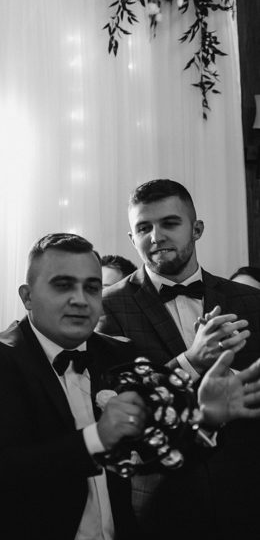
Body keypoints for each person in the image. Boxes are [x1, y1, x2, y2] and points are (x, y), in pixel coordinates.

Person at [0, 233, 260, 540]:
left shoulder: (117, 353)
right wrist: (100, 436)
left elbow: (158, 457)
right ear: (27, 297)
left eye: (92, 288)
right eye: (63, 285)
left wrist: (207, 419)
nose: (80, 299)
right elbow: (7, 471)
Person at [98, 179, 260, 539]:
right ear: (132, 238)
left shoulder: (250, 301)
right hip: (161, 501)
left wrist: (237, 377)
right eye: (144, 228)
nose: (156, 237)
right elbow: (117, 404)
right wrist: (191, 361)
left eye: (169, 223)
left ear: (196, 229)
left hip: (246, 494)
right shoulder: (109, 306)